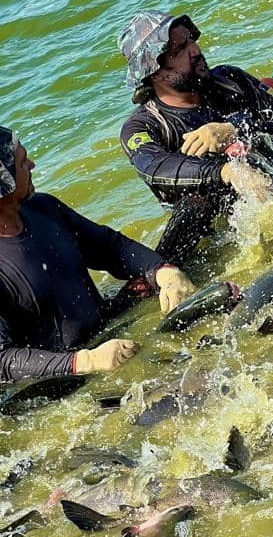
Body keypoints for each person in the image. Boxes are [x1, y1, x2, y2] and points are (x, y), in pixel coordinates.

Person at [0, 127, 195, 384]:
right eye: (23, 162)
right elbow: (3, 361)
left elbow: (110, 247)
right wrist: (86, 361)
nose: (32, 164)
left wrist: (163, 271)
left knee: (194, 211)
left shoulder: (44, 208)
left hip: (107, 334)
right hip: (61, 380)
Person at [117, 11, 273, 265]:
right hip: (219, 231)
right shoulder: (143, 126)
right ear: (155, 72)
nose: (195, 50)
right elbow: (154, 167)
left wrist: (234, 128)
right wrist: (227, 173)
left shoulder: (229, 80)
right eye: (179, 49)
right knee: (195, 205)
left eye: (190, 40)